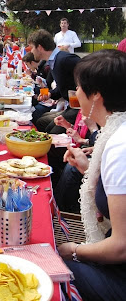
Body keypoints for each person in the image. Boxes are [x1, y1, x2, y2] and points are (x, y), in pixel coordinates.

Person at [57, 49, 126, 301]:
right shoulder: (117, 132)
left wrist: (74, 250)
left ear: (96, 95)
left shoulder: (120, 145)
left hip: (120, 273)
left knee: (48, 271)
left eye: (78, 88)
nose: (76, 95)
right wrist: (88, 168)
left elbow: (121, 246)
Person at [28, 29, 80, 130]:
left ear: (40, 47)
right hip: (71, 107)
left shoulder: (64, 59)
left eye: (32, 48)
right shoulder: (54, 61)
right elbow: (64, 86)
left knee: (51, 134)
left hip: (79, 109)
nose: (31, 51)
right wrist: (50, 94)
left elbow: (89, 77)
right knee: (43, 125)